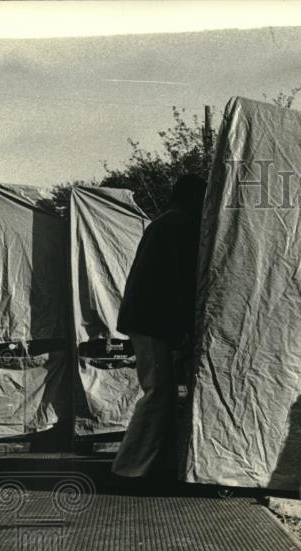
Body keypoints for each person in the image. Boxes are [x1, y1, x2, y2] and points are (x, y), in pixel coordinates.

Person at [112, 174, 207, 479]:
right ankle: (129, 468)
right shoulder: (181, 225)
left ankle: (154, 463)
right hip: (153, 321)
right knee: (158, 393)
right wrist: (190, 328)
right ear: (192, 198)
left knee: (160, 393)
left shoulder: (164, 222)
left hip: (145, 319)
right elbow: (184, 281)